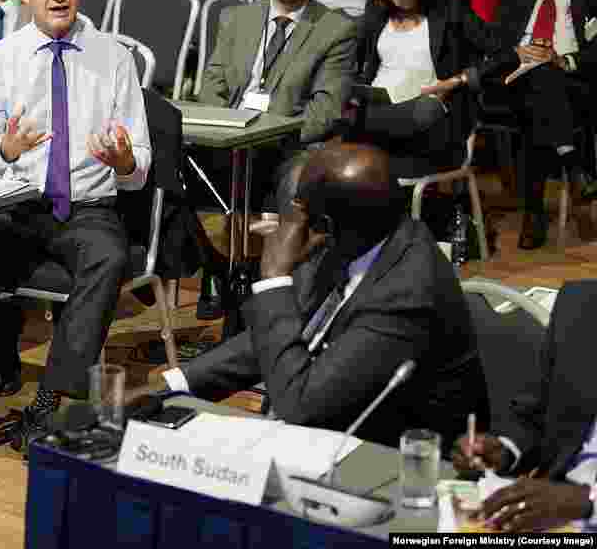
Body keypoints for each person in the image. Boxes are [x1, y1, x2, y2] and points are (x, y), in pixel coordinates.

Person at [151, 143, 489, 448]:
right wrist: (168, 387)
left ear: (323, 225)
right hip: (326, 432)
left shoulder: (407, 290)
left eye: (296, 213)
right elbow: (273, 337)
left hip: (393, 460)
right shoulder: (357, 237)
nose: (286, 226)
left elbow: (301, 406)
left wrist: (272, 276)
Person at [0, 0, 151, 441]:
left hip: (88, 205)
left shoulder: (114, 58)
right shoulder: (1, 60)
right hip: (16, 201)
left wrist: (126, 159)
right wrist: (6, 150)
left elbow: (140, 170)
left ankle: (50, 399)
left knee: (108, 257)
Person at [485, 0, 597, 249]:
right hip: (514, 79)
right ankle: (574, 165)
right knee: (538, 79)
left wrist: (564, 60)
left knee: (542, 91)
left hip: (573, 82)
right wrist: (523, 53)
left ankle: (534, 213)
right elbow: (496, 45)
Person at [349, 0, 504, 179]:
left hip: (430, 119)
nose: (396, 1)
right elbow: (353, 63)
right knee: (344, 120)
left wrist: (459, 80)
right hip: (380, 112)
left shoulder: (449, 8)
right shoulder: (378, 13)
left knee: (424, 112)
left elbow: (503, 54)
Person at [452, 279, 597, 532]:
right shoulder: (580, 303)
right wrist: (504, 449)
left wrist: (587, 501)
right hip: (547, 514)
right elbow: (535, 415)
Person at [198, 0, 356, 145]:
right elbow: (212, 87)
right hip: (225, 139)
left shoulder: (336, 31)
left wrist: (269, 141)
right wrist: (217, 134)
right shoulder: (236, 18)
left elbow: (325, 111)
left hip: (282, 145)